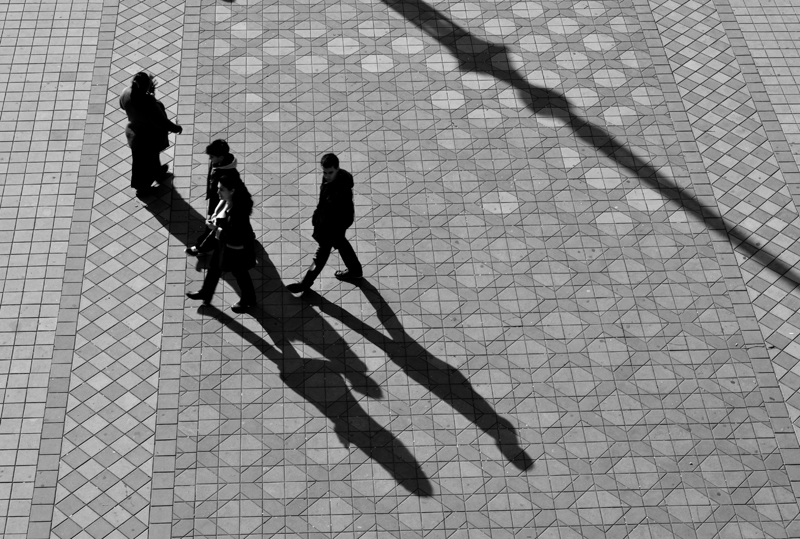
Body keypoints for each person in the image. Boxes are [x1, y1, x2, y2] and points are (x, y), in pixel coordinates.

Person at [287, 153, 363, 294]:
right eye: (325, 172)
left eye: (330, 172)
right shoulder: (334, 179)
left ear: (337, 169)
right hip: (332, 222)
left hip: (334, 225)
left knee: (321, 255)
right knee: (341, 243)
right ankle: (355, 270)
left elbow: (335, 211)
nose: (327, 176)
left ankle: (305, 283)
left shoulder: (340, 190)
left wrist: (322, 226)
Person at [186, 169, 257, 313]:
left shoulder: (238, 212)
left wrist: (215, 228)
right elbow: (220, 208)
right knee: (214, 267)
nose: (218, 193)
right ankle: (206, 293)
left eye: (221, 190)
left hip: (236, 249)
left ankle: (249, 300)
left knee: (240, 274)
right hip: (224, 244)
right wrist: (214, 219)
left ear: (232, 191)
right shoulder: (229, 200)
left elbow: (235, 236)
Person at [118, 72, 183, 194]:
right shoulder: (149, 103)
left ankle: (157, 171)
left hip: (134, 134)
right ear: (147, 86)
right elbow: (161, 121)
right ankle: (142, 188)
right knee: (143, 164)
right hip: (148, 138)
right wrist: (176, 128)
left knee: (143, 159)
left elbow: (122, 105)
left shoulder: (126, 92)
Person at [185, 139, 238, 256]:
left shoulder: (228, 175)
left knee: (213, 226)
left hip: (221, 203)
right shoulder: (217, 164)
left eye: (212, 156)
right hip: (216, 199)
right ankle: (247, 236)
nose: (210, 159)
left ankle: (203, 247)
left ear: (221, 157)